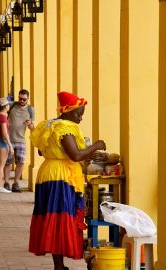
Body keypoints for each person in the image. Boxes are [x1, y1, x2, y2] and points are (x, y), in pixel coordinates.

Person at [29, 91, 106, 270]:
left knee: (54, 218)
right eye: (78, 113)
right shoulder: (64, 127)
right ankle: (58, 266)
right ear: (67, 111)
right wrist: (96, 146)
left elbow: (42, 150)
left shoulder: (49, 125)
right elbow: (76, 155)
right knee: (60, 219)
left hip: (48, 172)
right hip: (61, 176)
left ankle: (59, 265)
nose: (80, 118)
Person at [3, 89, 35, 192]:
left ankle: (15, 183)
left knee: (20, 163)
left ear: (28, 99)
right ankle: (6, 183)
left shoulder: (30, 110)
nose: (21, 101)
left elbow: (33, 127)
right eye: (20, 98)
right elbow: (3, 115)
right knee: (7, 162)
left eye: (24, 99)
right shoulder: (12, 106)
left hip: (21, 140)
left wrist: (29, 123)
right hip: (8, 139)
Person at [0, 97, 14, 193]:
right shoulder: (3, 117)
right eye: (8, 105)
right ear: (5, 106)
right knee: (1, 166)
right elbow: (5, 133)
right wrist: (10, 146)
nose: (9, 106)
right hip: (2, 143)